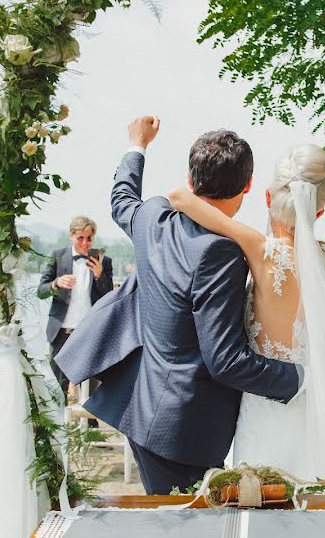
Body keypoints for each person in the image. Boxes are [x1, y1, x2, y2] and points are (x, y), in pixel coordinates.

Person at [171, 126, 325, 492]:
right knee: (324, 495)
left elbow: (180, 196)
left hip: (265, 408)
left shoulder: (259, 249)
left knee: (263, 498)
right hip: (324, 409)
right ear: (320, 210)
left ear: (266, 197)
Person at [56, 117, 303, 495]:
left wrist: (137, 144)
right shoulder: (221, 253)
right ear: (248, 185)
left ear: (191, 180)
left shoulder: (153, 217)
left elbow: (122, 198)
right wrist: (299, 379)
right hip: (183, 430)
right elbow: (225, 360)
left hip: (143, 409)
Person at [37, 216, 113, 395]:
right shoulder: (57, 256)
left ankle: (90, 421)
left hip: (89, 330)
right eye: (81, 238)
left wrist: (99, 275)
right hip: (61, 330)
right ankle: (58, 421)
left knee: (92, 383)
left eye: (90, 238)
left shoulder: (103, 260)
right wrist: (56, 283)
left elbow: (109, 295)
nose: (86, 243)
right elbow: (41, 291)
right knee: (57, 385)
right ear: (71, 235)